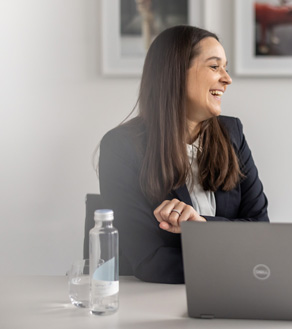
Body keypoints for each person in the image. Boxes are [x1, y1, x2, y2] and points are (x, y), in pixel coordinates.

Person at [98, 26, 270, 284]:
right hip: (152, 303)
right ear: (175, 74)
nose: (227, 78)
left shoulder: (232, 132)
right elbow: (149, 260)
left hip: (235, 296)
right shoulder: (121, 147)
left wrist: (201, 226)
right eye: (215, 67)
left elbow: (262, 233)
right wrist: (239, 267)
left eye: (226, 67)